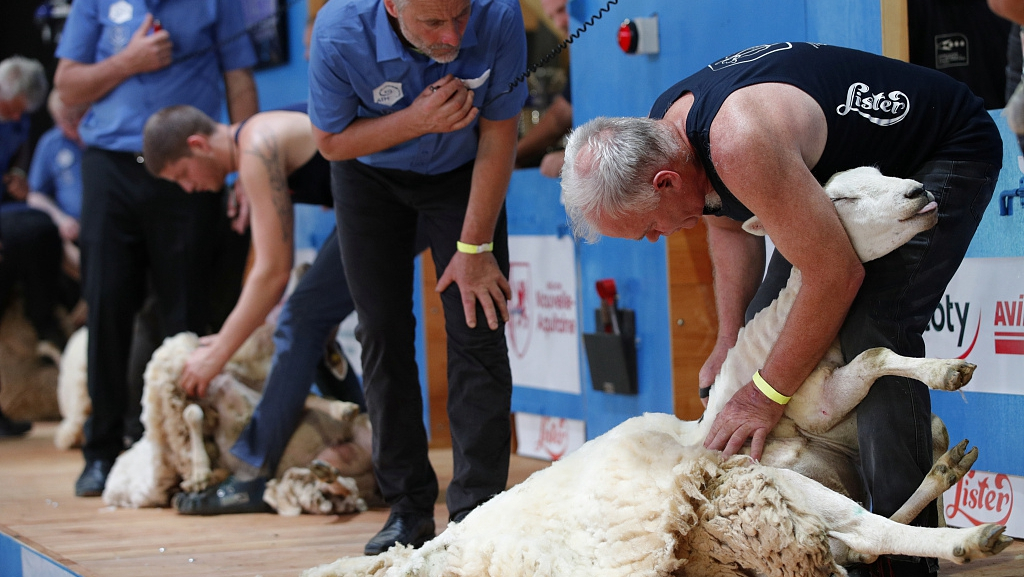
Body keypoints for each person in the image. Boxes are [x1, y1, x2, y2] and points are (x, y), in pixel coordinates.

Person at [560, 42, 1001, 577]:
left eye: (649, 228)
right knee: (768, 329)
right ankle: (850, 522)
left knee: (874, 327)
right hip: (848, 174)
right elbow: (725, 224)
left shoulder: (737, 141)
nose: (655, 240)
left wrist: (765, 395)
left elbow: (836, 276)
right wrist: (729, 342)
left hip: (943, 146)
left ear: (665, 181)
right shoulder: (667, 135)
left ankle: (905, 558)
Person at [308, 0, 527, 555]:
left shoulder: (498, 15)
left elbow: (501, 132)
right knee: (382, 332)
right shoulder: (338, 33)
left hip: (461, 175)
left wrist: (476, 245)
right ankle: (407, 508)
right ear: (391, 6)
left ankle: (478, 512)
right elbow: (331, 141)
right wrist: (417, 120)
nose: (453, 34)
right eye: (433, 23)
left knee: (479, 323)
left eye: (460, 15)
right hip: (370, 180)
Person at [54, 0, 259, 498]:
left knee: (186, 311)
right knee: (107, 305)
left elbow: (239, 80)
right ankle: (101, 451)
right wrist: (129, 60)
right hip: (112, 165)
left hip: (184, 165)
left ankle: (188, 451)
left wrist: (246, 170)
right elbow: (68, 86)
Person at [140, 104, 364, 513]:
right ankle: (367, 433)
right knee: (305, 319)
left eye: (183, 176)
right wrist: (230, 336)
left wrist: (218, 354)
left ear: (198, 145)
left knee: (301, 318)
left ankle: (251, 473)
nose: (189, 189)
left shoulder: (256, 151)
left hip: (398, 202)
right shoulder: (257, 140)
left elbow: (272, 273)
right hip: (382, 202)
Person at [26, 90, 89, 328]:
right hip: (71, 234)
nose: (66, 126)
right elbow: (35, 195)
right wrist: (60, 218)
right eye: (60, 120)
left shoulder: (104, 139)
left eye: (72, 119)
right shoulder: (50, 143)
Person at [514, 0, 572, 178]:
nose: (559, 23)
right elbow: (560, 117)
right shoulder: (584, 54)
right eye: (551, 17)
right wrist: (507, 159)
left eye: (562, 10)